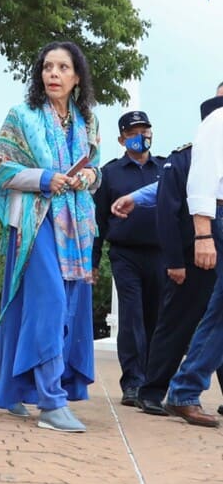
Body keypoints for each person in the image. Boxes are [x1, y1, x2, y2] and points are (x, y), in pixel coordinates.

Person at [0, 41, 101, 433]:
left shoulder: (88, 122)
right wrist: (45, 178)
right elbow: (0, 171)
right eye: (48, 66)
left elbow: (96, 169)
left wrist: (89, 176)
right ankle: (51, 402)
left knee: (47, 306)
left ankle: (11, 387)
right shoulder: (22, 116)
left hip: (76, 227)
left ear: (77, 77)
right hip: (35, 221)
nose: (54, 74)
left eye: (63, 67)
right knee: (49, 301)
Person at [110, 90, 223, 416]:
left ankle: (183, 389)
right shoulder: (185, 157)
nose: (141, 137)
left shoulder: (165, 162)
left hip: (195, 249)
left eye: (144, 131)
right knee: (173, 323)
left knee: (213, 320)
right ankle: (150, 389)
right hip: (188, 253)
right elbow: (166, 209)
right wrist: (175, 261)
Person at [158, 95, 223, 427]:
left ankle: (185, 389)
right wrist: (202, 234)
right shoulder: (219, 120)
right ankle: (184, 389)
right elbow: (201, 181)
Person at [92, 110, 165, 407]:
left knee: (156, 320)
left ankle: (153, 383)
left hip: (161, 254)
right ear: (122, 139)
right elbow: (98, 221)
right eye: (133, 133)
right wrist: (93, 262)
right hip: (125, 254)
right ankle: (133, 382)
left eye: (144, 131)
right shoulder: (110, 173)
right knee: (132, 318)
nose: (141, 137)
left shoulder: (166, 169)